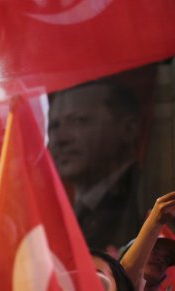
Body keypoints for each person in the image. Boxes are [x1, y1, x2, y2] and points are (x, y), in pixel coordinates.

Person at [47, 80, 144, 251]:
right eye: (54, 126)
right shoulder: (62, 217)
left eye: (78, 120)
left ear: (128, 129)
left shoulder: (145, 196)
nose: (61, 139)